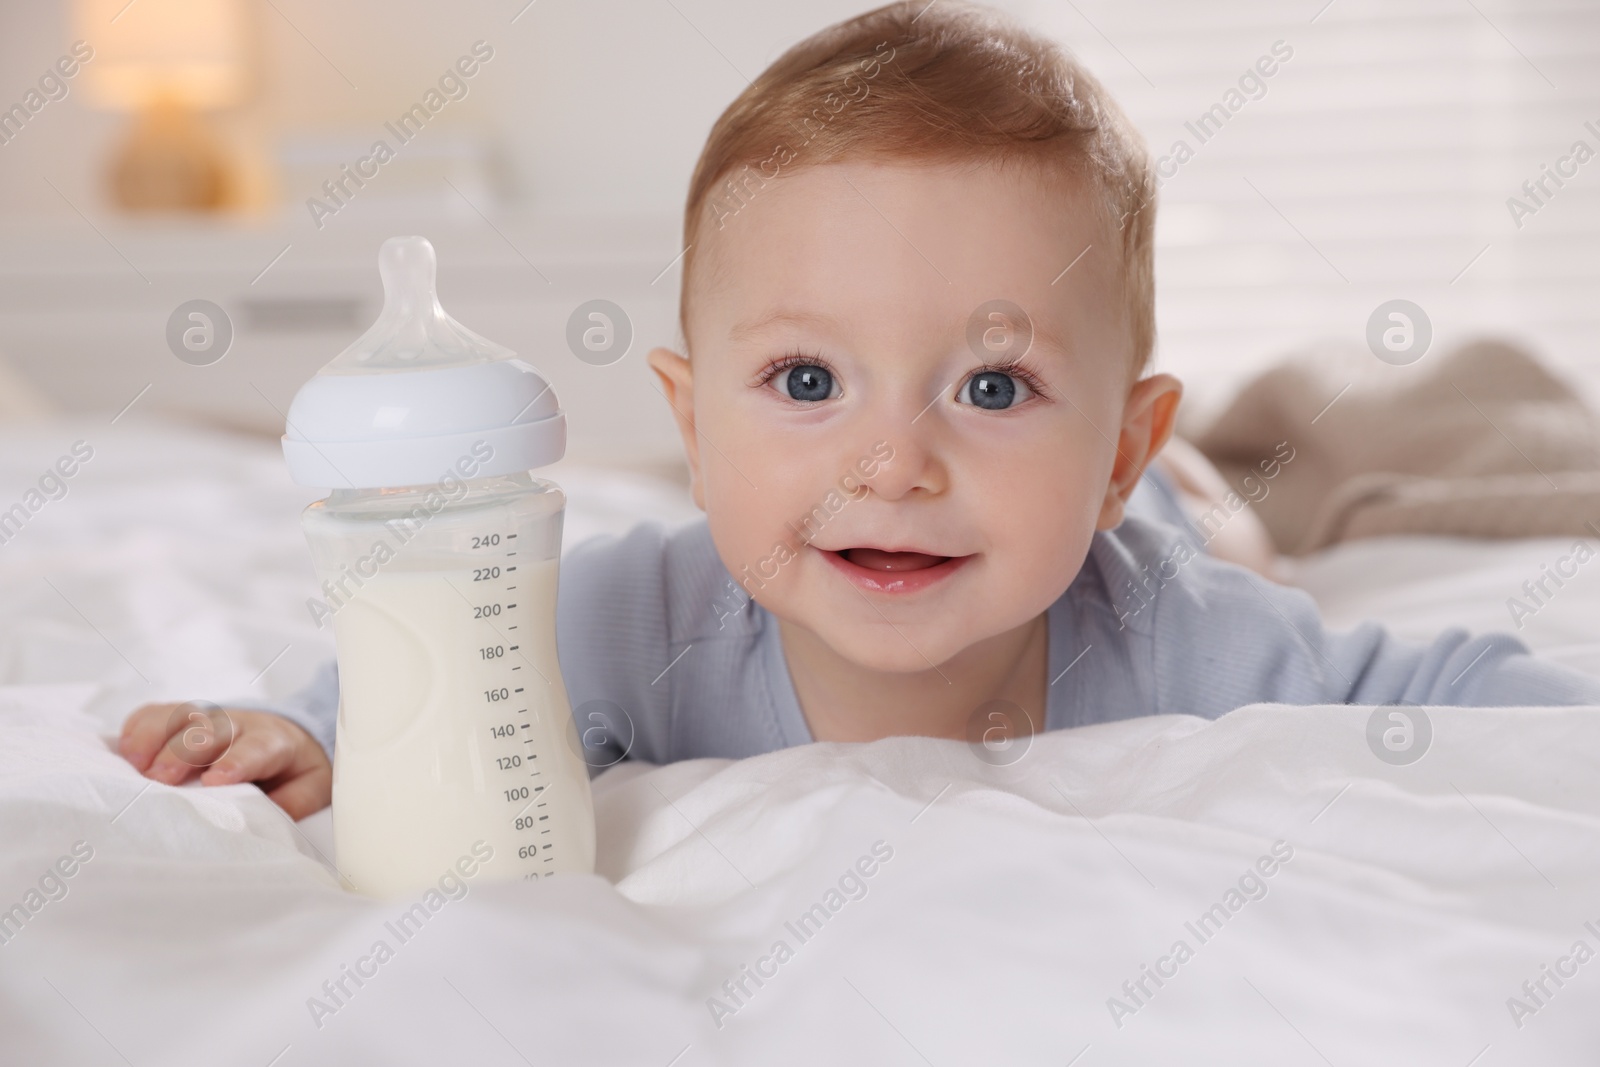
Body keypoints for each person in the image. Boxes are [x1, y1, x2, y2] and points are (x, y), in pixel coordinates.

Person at [117, 1, 1600, 818]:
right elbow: (415, 693)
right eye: (808, 384)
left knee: (1237, 534)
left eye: (994, 385)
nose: (894, 463)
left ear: (1112, 447)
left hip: (1167, 521)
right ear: (691, 431)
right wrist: (289, 738)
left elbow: (1450, 682)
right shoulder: (624, 619)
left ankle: (1192, 476)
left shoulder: (1183, 633)